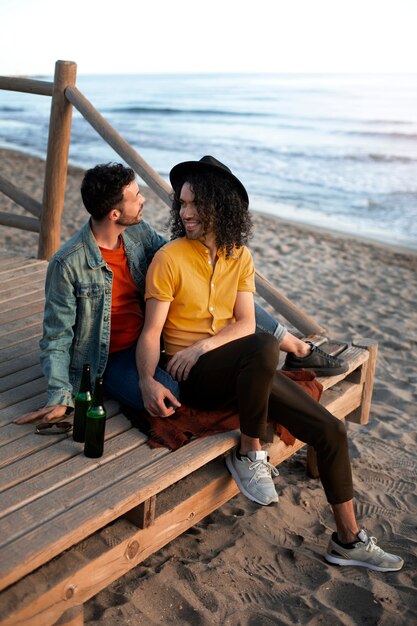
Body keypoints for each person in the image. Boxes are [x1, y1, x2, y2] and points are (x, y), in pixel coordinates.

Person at [136, 155, 403, 572]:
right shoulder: (170, 258)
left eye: (193, 204)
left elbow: (245, 322)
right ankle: (249, 452)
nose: (184, 212)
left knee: (330, 430)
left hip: (236, 367)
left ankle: (349, 540)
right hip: (191, 378)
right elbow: (151, 332)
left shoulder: (239, 256)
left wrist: (204, 347)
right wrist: (146, 381)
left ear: (219, 206)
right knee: (263, 346)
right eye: (181, 204)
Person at [14, 162, 343, 426]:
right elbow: (56, 337)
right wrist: (60, 395)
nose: (144, 199)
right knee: (171, 397)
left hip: (150, 337)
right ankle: (293, 352)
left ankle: (297, 347)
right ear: (115, 214)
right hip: (108, 356)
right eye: (135, 195)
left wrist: (221, 252)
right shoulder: (67, 263)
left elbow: (184, 258)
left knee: (234, 301)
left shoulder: (138, 232)